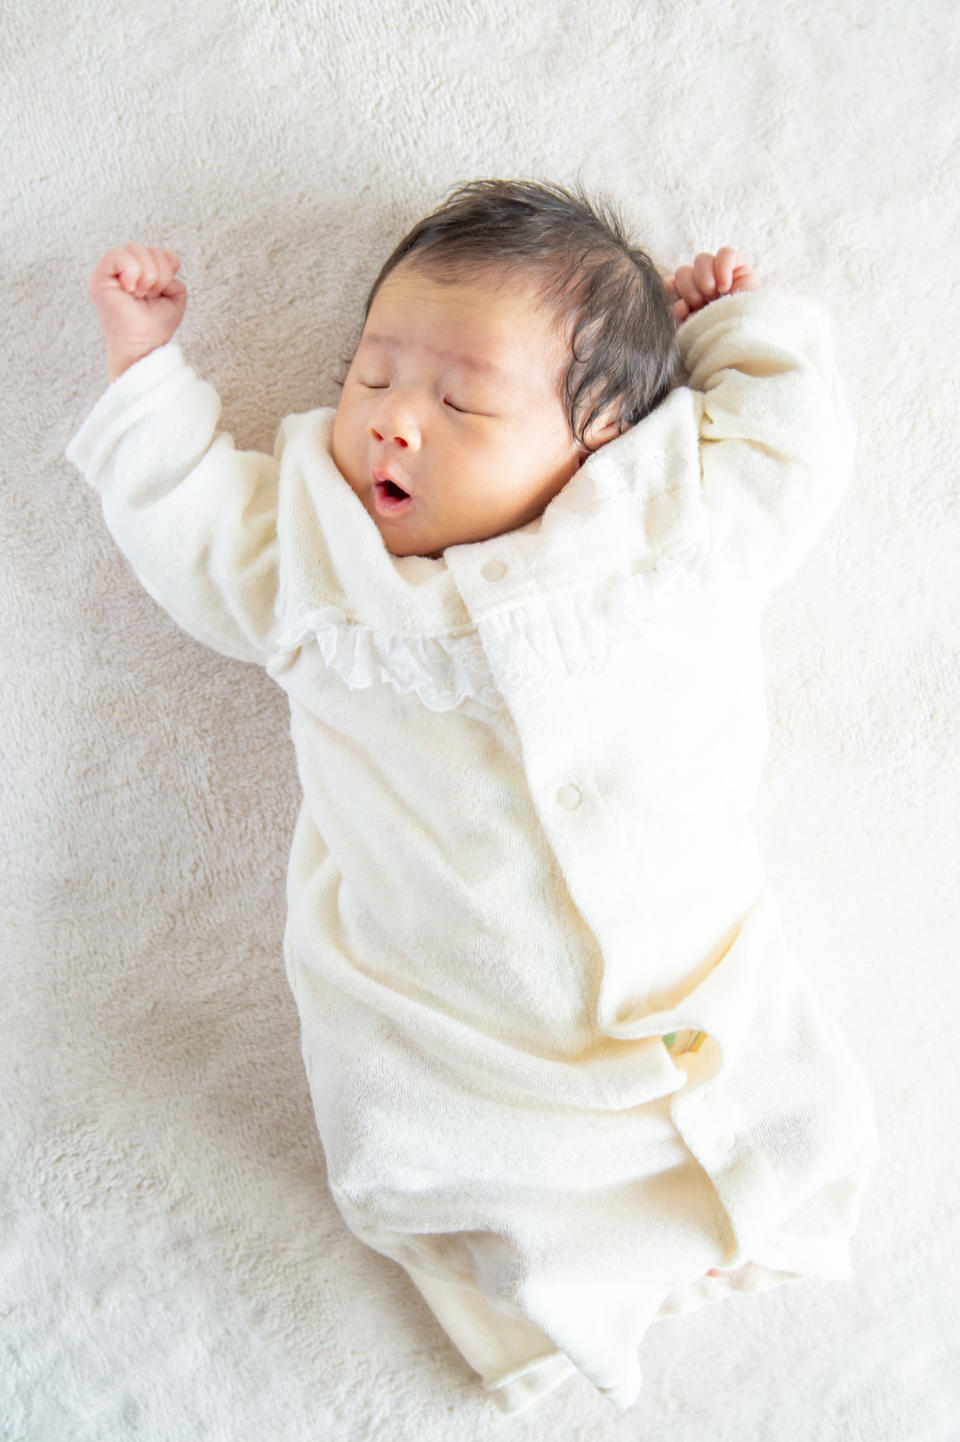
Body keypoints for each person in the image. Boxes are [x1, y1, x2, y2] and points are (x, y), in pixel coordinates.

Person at [67, 180, 877, 1413]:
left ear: (601, 425)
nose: (394, 424)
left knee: (760, 1078)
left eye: (461, 400)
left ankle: (761, 1196)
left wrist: (735, 336)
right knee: (449, 1156)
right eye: (372, 377)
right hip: (450, 1026)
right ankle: (523, 1291)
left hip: (693, 970)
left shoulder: (666, 517)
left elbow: (792, 454)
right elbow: (189, 530)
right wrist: (146, 375)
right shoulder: (317, 555)